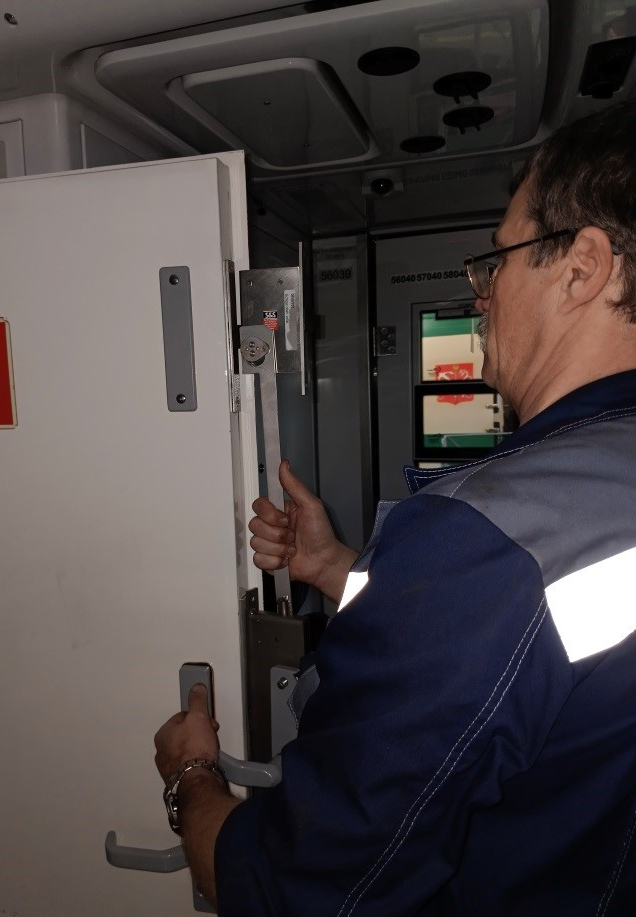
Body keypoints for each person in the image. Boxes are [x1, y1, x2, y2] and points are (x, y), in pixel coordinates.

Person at [154, 101, 636, 914]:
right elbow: (544, 646)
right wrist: (340, 570)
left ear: (582, 268)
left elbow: (288, 889)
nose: (482, 295)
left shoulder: (486, 538)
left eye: (498, 261)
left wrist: (191, 776)